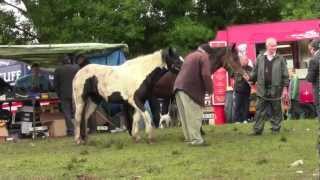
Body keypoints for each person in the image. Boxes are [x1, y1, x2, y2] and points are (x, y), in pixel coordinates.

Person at [173, 44, 213, 145]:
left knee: (185, 116)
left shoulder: (189, 56)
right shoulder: (204, 57)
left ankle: (189, 139)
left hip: (178, 87)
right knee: (194, 114)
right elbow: (206, 74)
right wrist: (210, 90)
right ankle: (197, 140)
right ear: (208, 53)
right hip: (189, 89)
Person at [248, 37, 289, 135]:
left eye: (275, 45)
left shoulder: (280, 58)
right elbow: (255, 71)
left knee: (276, 110)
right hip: (262, 89)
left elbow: (285, 75)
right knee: (259, 111)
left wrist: (285, 89)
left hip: (276, 89)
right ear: (267, 46)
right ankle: (257, 130)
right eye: (272, 46)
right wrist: (251, 80)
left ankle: (275, 129)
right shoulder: (260, 57)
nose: (274, 47)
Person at [54, 56, 79, 136]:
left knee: (67, 113)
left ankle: (71, 130)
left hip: (64, 94)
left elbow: (56, 85)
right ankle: (79, 128)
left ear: (62, 62)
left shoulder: (58, 70)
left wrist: (59, 94)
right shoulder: (76, 68)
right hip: (75, 93)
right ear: (69, 61)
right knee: (77, 111)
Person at [232, 53, 252, 123]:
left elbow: (252, 78)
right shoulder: (236, 68)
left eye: (246, 60)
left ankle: (245, 119)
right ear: (241, 61)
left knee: (246, 106)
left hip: (247, 91)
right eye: (244, 60)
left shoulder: (250, 68)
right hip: (238, 90)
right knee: (237, 106)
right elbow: (232, 77)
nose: (246, 61)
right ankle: (237, 120)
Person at [306, 39, 320, 117]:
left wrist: (307, 75)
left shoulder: (314, 59)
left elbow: (310, 78)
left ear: (313, 49)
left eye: (310, 49)